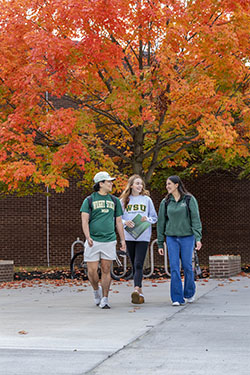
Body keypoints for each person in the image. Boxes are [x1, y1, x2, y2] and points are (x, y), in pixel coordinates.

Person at [80, 171, 126, 309]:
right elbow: (84, 221)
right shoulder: (89, 200)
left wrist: (122, 240)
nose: (111, 183)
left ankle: (105, 298)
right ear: (100, 184)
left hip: (109, 239)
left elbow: (118, 221)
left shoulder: (115, 201)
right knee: (92, 271)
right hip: (93, 240)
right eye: (109, 181)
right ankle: (96, 290)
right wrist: (88, 237)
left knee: (106, 269)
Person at [157, 175, 202, 306]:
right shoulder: (165, 202)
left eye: (169, 184)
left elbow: (195, 219)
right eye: (166, 184)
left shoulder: (189, 199)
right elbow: (161, 223)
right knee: (175, 267)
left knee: (188, 266)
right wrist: (160, 242)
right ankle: (176, 298)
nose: (167, 187)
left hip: (187, 237)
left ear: (177, 185)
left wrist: (198, 238)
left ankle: (189, 293)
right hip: (171, 238)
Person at [120, 175, 157, 304]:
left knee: (139, 263)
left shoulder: (147, 200)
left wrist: (147, 219)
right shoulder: (124, 200)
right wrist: (126, 222)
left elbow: (154, 217)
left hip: (143, 236)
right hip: (129, 236)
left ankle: (136, 289)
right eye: (137, 183)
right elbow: (119, 219)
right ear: (131, 185)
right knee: (134, 264)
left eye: (141, 184)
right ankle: (140, 293)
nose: (140, 186)